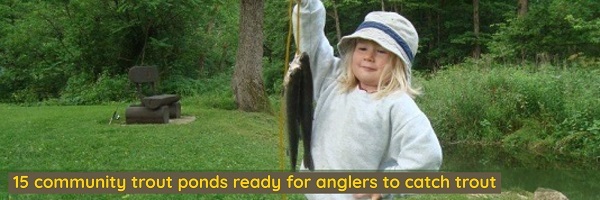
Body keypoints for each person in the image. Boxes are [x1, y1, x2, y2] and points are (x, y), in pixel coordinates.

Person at [292, 0, 443, 199]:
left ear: (398, 63)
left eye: (381, 51)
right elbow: (312, 42)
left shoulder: (398, 105)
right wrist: (307, 6)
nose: (369, 56)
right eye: (362, 48)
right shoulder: (333, 79)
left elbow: (427, 157)